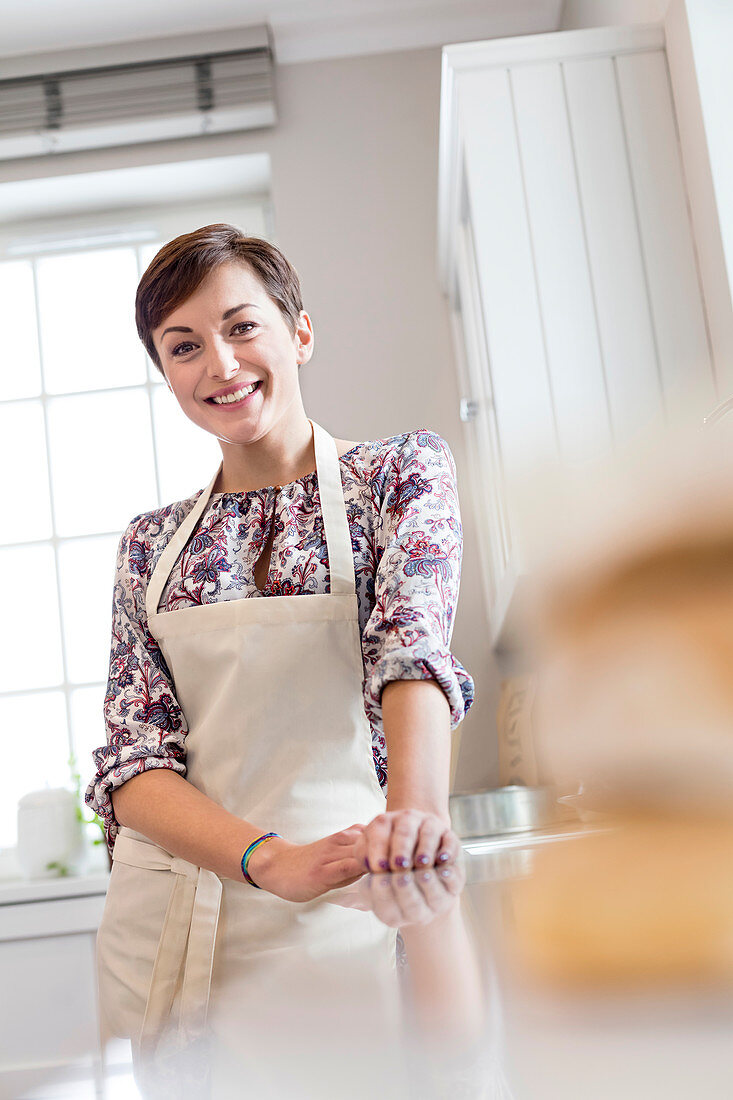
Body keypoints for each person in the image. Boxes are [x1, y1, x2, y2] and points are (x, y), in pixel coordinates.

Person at [85, 223, 475, 1064]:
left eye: (241, 326)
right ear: (168, 376)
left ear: (299, 331)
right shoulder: (150, 548)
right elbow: (132, 767)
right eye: (183, 347)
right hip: (172, 937)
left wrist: (413, 826)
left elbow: (411, 654)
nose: (219, 364)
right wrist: (269, 859)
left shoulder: (398, 478)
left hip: (352, 910)